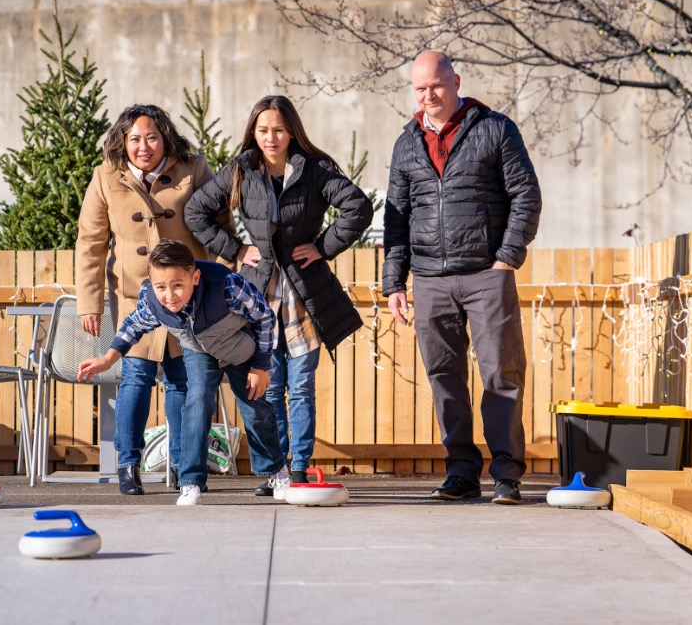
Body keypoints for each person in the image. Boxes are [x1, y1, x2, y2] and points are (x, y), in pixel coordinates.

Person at [185, 95, 373, 495]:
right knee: (269, 385)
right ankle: (278, 472)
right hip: (258, 291)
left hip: (305, 290)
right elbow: (195, 212)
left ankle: (300, 469)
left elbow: (358, 207)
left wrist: (323, 246)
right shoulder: (241, 168)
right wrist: (235, 250)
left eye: (279, 130)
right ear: (253, 131)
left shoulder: (317, 168)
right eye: (263, 130)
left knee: (301, 385)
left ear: (292, 132)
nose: (271, 138)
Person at [382, 51, 542, 505]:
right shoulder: (407, 142)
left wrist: (506, 259)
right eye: (419, 88)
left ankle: (507, 475)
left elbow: (526, 196)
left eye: (435, 85)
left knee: (500, 374)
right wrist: (394, 283)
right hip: (430, 278)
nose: (428, 95)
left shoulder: (495, 128)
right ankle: (462, 473)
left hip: (485, 275)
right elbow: (396, 219)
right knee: (444, 377)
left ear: (455, 81)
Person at [75, 104, 232, 496]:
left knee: (183, 378)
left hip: (187, 296)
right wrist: (89, 303)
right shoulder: (105, 177)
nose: (143, 146)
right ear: (122, 142)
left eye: (151, 137)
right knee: (136, 377)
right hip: (134, 295)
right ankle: (128, 464)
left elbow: (221, 228)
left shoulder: (193, 170)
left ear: (164, 138)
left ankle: (183, 463)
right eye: (134, 139)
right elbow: (90, 245)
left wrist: (224, 288)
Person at [78, 239, 292, 506]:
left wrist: (261, 366)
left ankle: (277, 473)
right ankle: (190, 482)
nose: (170, 295)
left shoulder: (227, 286)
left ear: (195, 276)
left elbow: (264, 317)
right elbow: (132, 326)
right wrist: (108, 358)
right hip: (198, 351)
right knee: (196, 401)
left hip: (239, 347)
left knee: (255, 408)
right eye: (161, 287)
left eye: (178, 285)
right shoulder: (152, 300)